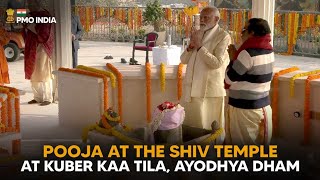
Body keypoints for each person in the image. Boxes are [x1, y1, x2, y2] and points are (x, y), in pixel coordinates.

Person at [180, 6, 231, 132]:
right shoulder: (198, 33)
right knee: (191, 128)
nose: (202, 20)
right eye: (201, 17)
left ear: (216, 19)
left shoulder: (223, 36)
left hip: (209, 92)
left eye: (206, 17)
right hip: (191, 89)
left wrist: (199, 46)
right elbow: (183, 60)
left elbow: (216, 63)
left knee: (209, 129)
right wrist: (191, 47)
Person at [225, 18, 274, 145]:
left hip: (245, 109)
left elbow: (229, 78)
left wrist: (232, 58)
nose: (241, 33)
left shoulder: (247, 53)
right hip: (263, 106)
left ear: (252, 33)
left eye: (244, 30)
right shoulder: (269, 50)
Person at [24, 0, 54, 106]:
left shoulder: (45, 16)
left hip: (42, 48)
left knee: (44, 73)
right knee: (33, 73)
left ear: (38, 4)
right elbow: (25, 31)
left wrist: (32, 27)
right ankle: (37, 97)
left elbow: (44, 35)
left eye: (31, 4)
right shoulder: (30, 15)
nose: (30, 7)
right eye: (28, 5)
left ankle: (48, 98)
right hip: (31, 48)